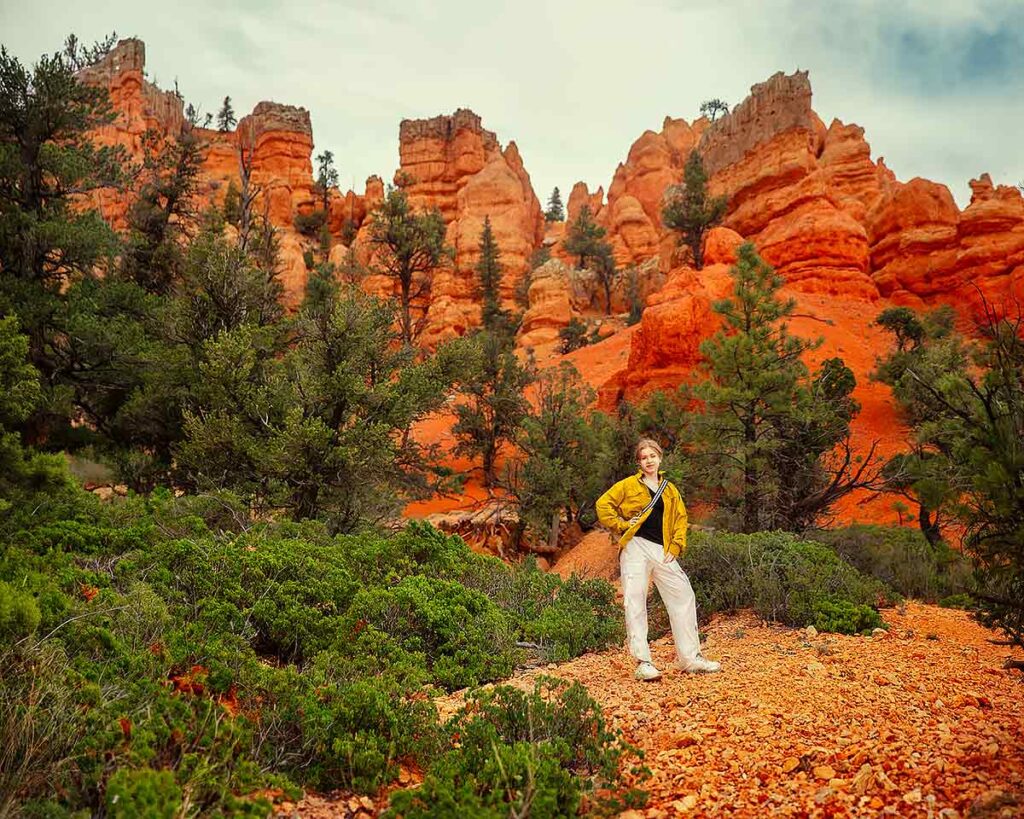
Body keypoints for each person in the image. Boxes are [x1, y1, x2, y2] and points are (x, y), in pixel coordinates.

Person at [595, 438, 721, 681]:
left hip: (661, 549)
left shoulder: (670, 489)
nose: (648, 461)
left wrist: (676, 544)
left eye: (652, 456)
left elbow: (681, 519)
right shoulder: (628, 485)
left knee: (683, 594)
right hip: (635, 547)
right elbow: (603, 504)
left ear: (660, 458)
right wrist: (621, 525)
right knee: (635, 599)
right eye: (643, 457)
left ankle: (690, 658)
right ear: (638, 462)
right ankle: (643, 662)